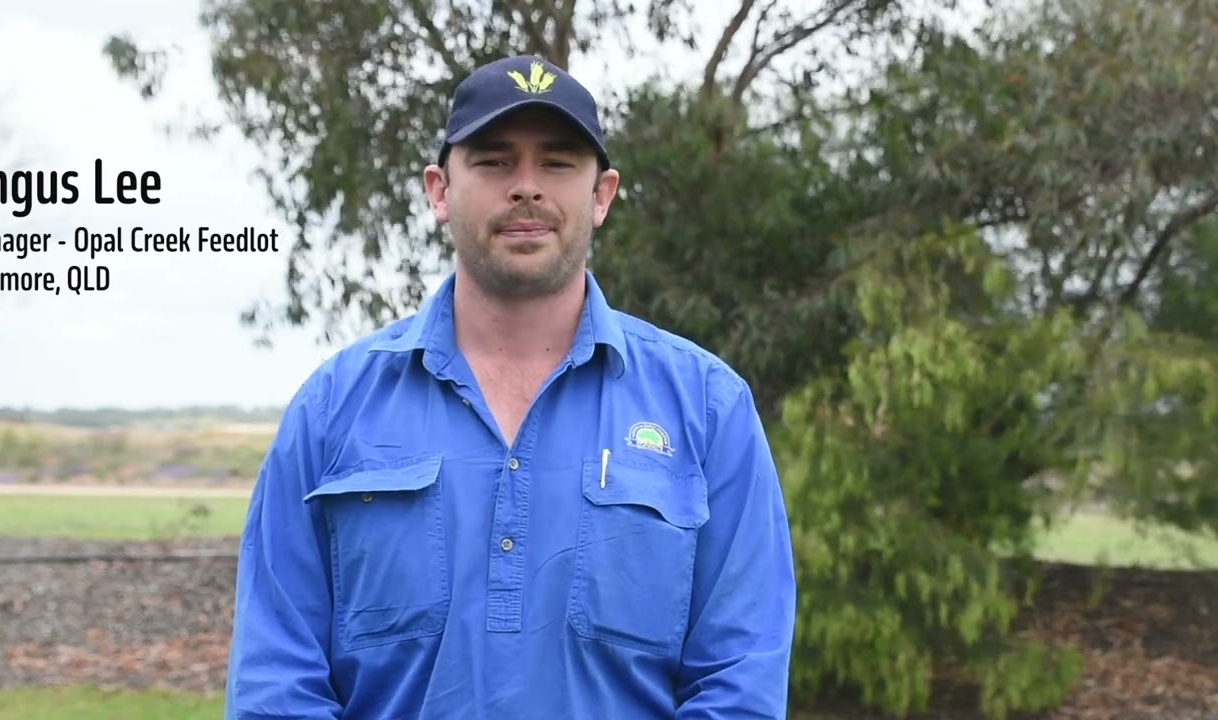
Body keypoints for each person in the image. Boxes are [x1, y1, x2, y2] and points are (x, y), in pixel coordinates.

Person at [224, 54, 797, 720]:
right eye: (494, 162)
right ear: (439, 191)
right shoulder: (332, 411)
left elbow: (739, 683)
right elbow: (275, 685)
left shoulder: (708, 410)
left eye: (557, 163)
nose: (526, 187)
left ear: (602, 194)